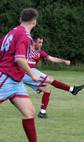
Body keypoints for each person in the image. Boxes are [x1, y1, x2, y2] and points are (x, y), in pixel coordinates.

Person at [23, 34, 84, 119]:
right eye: (39, 42)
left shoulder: (40, 52)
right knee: (50, 79)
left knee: (47, 89)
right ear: (33, 42)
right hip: (26, 72)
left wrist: (63, 61)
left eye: (42, 42)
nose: (41, 44)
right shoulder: (25, 48)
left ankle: (42, 112)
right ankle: (72, 89)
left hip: (31, 73)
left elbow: (51, 58)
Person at [0, 8, 39, 142]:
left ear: (20, 19)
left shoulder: (11, 33)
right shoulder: (24, 36)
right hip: (6, 78)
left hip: (15, 82)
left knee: (29, 113)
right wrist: (32, 75)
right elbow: (20, 59)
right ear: (34, 21)